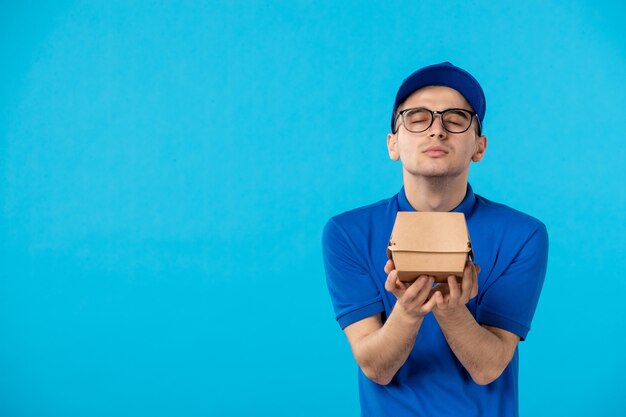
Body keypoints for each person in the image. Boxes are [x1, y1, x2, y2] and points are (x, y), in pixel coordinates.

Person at [322, 62, 548, 417]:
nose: (437, 131)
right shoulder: (348, 232)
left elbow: (488, 367)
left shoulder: (522, 234)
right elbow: (376, 368)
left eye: (455, 119)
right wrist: (409, 312)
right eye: (417, 118)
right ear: (393, 144)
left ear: (479, 146)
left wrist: (451, 310)